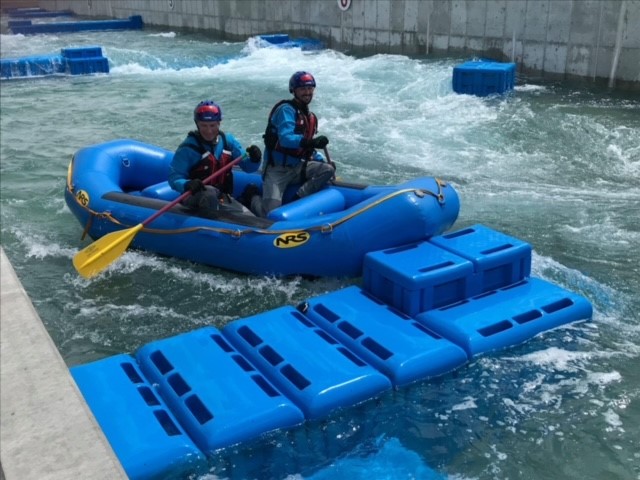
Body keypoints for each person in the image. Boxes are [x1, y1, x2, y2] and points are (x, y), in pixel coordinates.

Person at [240, 71, 335, 217]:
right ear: (294, 90)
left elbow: (307, 149)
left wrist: (320, 159)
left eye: (310, 88)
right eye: (303, 88)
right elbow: (286, 139)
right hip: (277, 170)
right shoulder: (285, 110)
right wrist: (310, 142)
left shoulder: (310, 116)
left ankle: (298, 199)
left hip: (297, 167)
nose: (307, 92)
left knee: (328, 169)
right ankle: (252, 196)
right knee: (269, 214)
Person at [169, 100, 262, 217]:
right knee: (209, 193)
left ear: (219, 123)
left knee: (250, 219)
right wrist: (187, 184)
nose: (209, 131)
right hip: (194, 198)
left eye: (212, 125)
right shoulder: (188, 148)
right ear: (197, 124)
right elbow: (174, 177)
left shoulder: (228, 141)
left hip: (221, 197)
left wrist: (255, 159)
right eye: (204, 125)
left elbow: (248, 167)